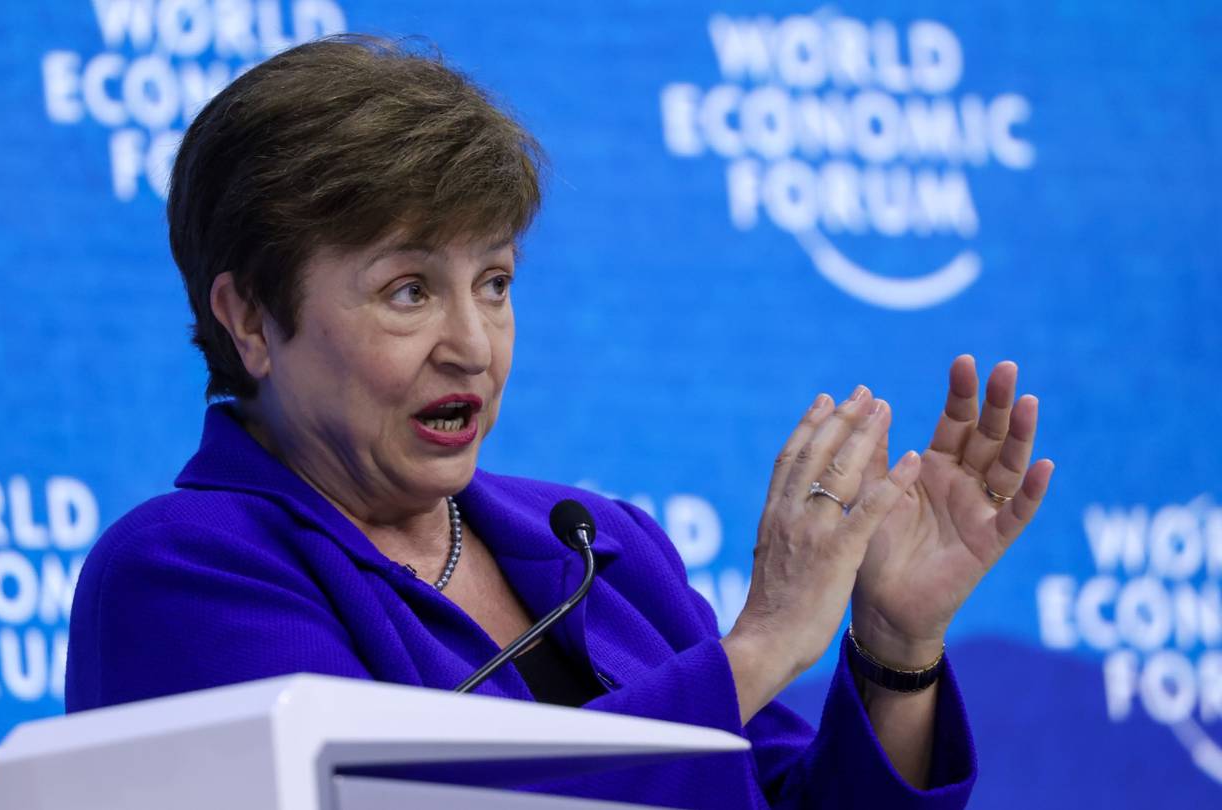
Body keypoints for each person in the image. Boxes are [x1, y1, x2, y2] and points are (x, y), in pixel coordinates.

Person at [65, 35, 1053, 809]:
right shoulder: (181, 575)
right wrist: (754, 654)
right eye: (408, 291)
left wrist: (892, 648)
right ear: (249, 319)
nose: (473, 344)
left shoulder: (602, 547)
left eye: (493, 283)